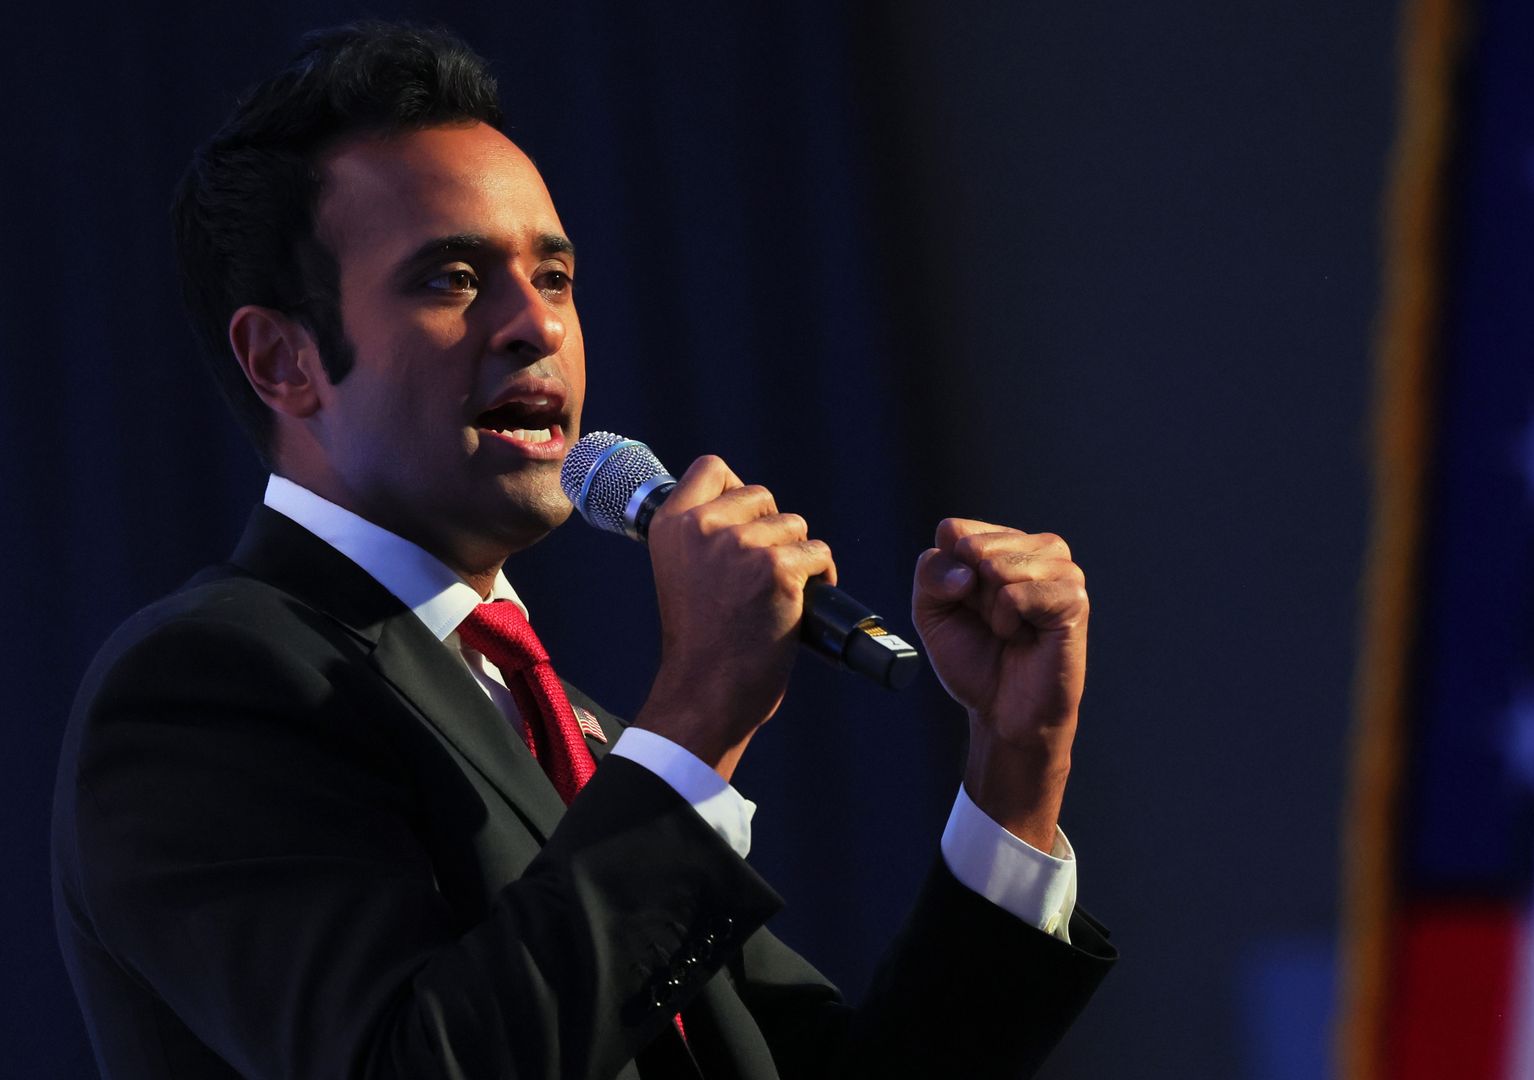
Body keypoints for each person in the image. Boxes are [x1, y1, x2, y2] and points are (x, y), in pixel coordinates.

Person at [50, 21, 1113, 1080]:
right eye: (453, 278)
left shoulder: (573, 728)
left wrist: (1017, 771)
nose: (535, 325)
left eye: (554, 277)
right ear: (283, 360)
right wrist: (698, 711)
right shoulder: (204, 688)